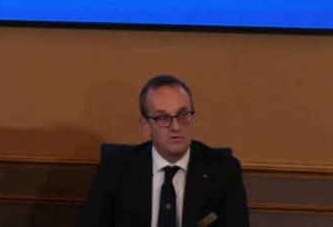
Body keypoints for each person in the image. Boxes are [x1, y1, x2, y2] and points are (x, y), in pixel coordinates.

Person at [76, 75, 249, 227]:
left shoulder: (223, 170)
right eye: (163, 118)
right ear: (146, 126)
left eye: (182, 115)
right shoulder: (116, 169)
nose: (176, 126)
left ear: (193, 119)